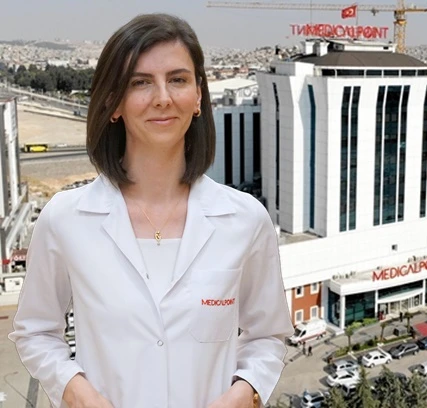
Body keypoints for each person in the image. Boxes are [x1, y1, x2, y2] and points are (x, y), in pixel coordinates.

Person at [8, 14, 293, 408]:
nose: (162, 97)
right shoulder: (65, 219)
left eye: (178, 79)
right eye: (140, 82)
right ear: (113, 103)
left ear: (198, 97)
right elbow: (36, 331)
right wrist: (76, 391)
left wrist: (245, 393)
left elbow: (267, 335)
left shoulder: (245, 220)